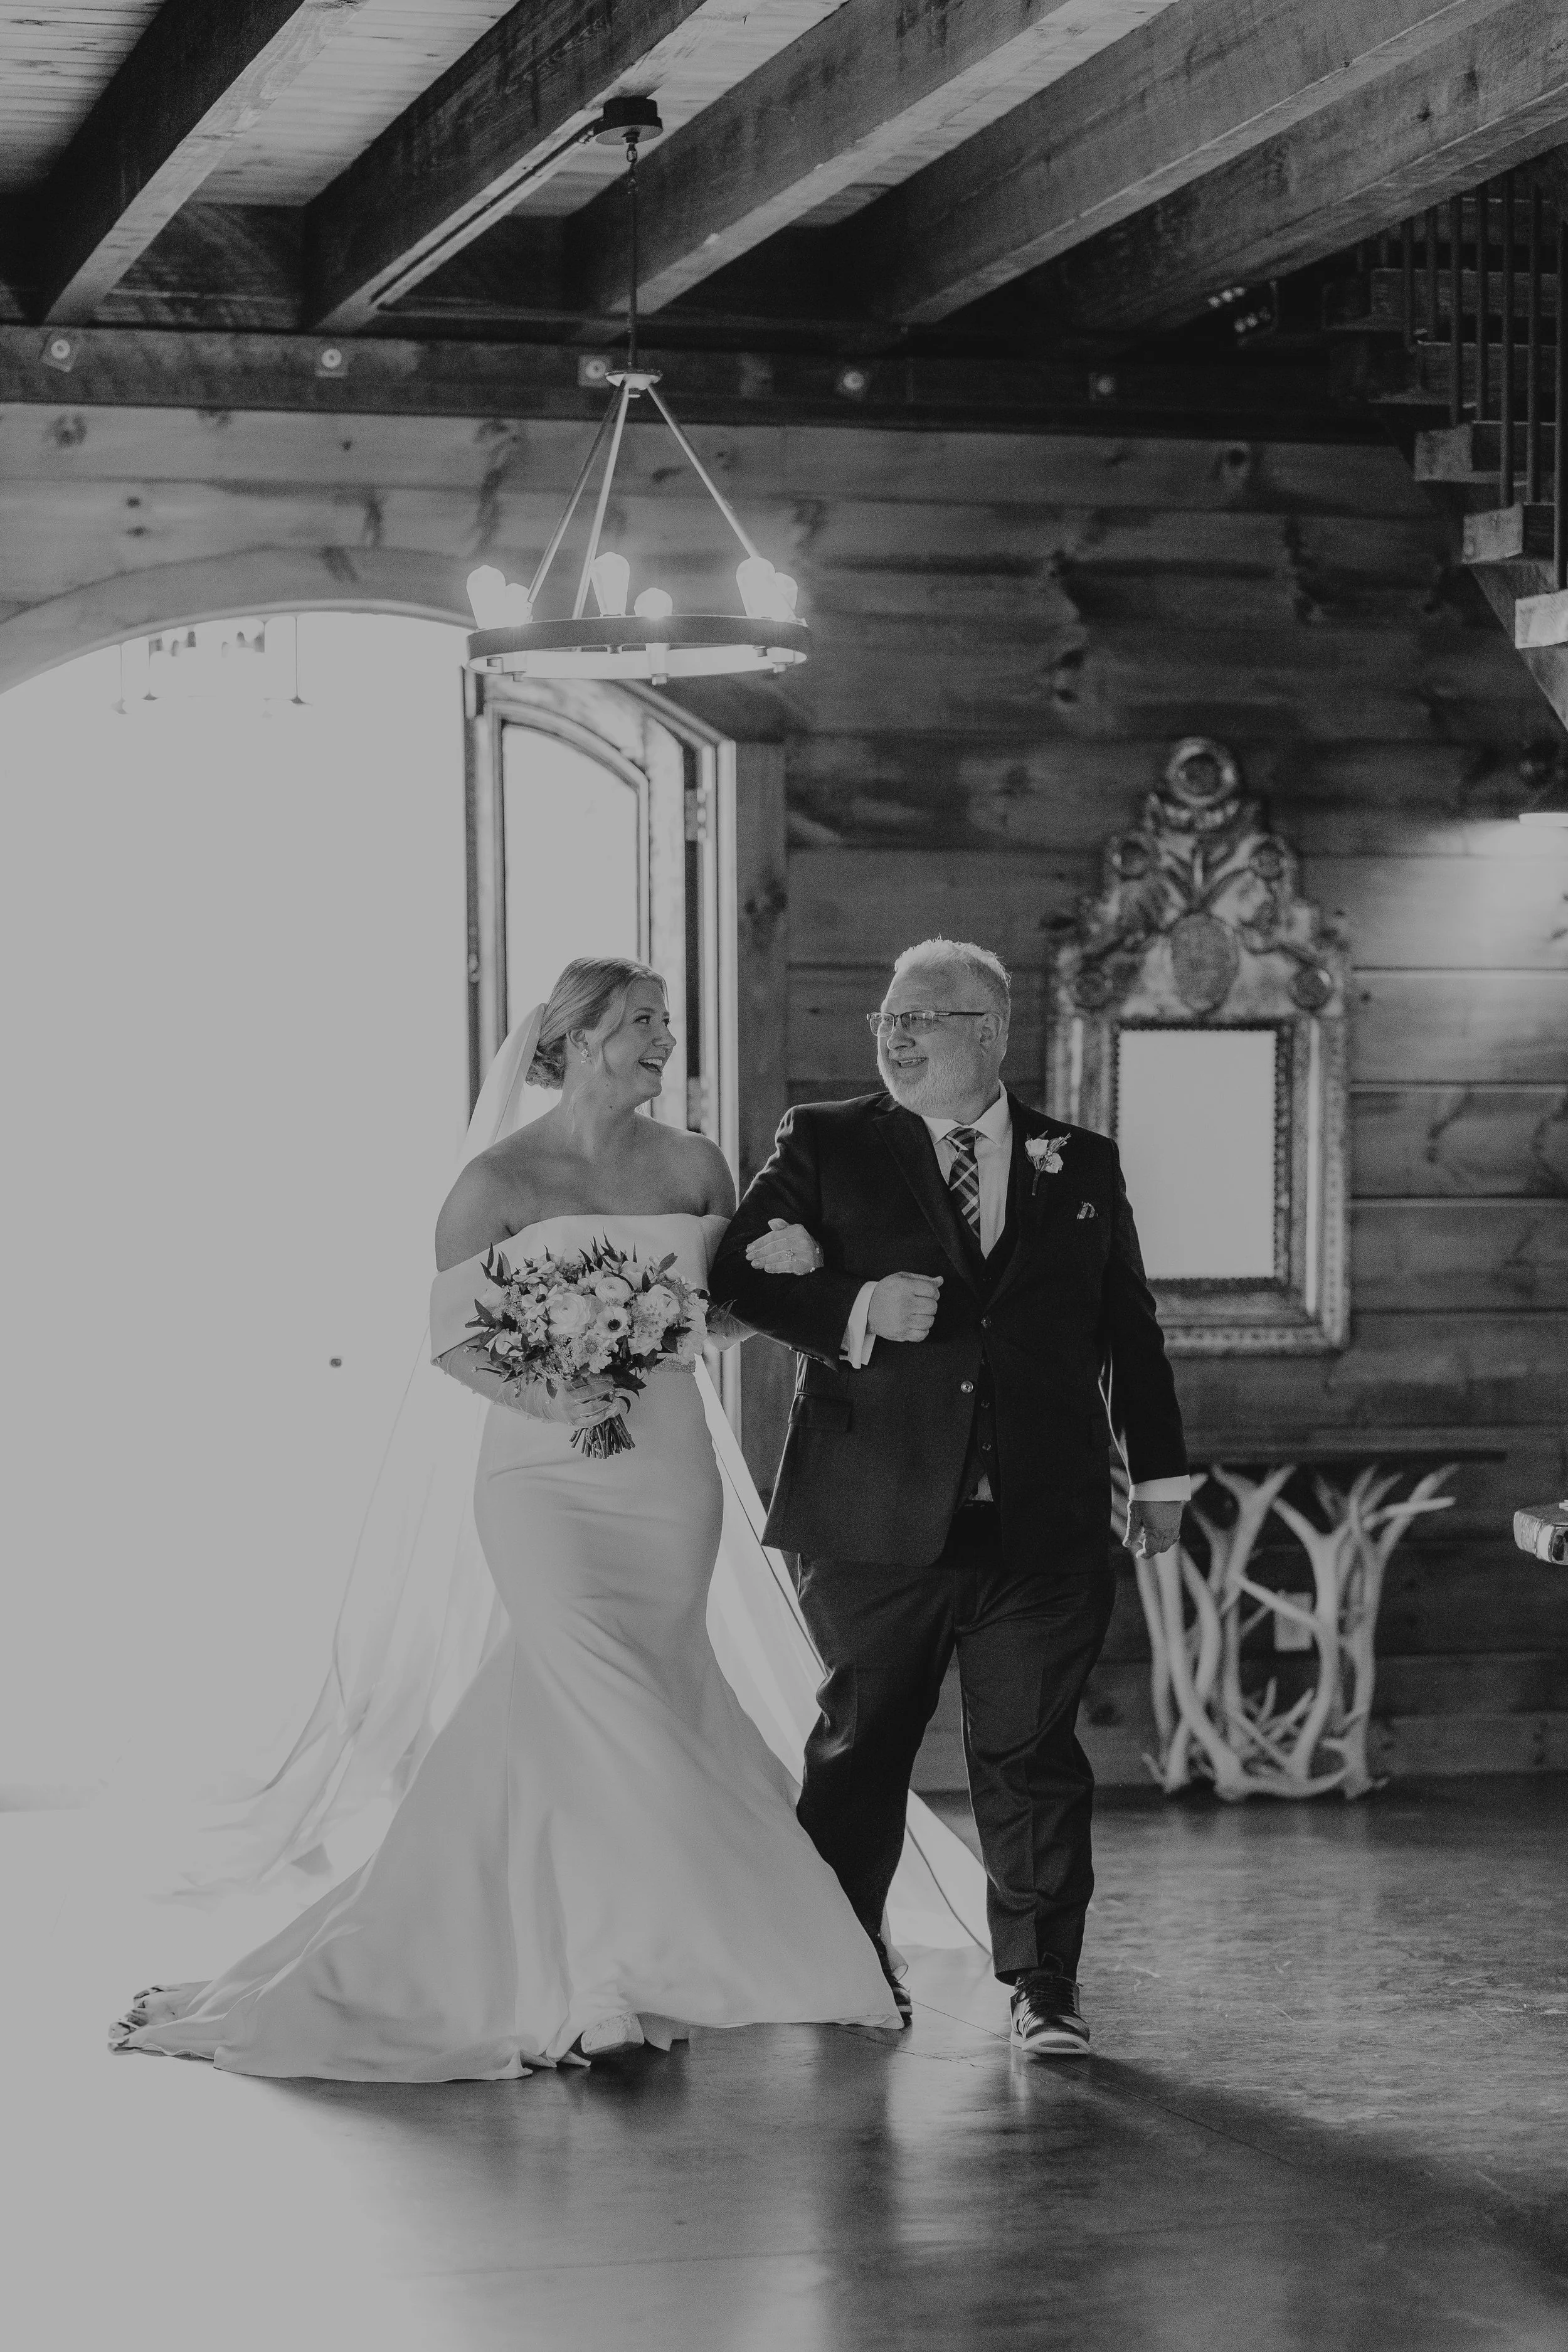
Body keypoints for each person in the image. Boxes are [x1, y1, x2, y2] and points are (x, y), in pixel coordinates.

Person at [111, 957, 909, 2077]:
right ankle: (605, 1981)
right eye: (642, 1022)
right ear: (576, 1038)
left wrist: (781, 1267)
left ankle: (620, 1943)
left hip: (665, 1472)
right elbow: (454, 1339)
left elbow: (720, 1315)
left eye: (666, 1021)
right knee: (597, 1686)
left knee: (631, 1694)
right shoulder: (494, 1181)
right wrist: (552, 1393)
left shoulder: (695, 1165)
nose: (665, 1039)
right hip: (542, 1476)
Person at [709, 936, 1190, 2059]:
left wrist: (1159, 1475)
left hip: (1043, 1517)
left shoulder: (1082, 1161)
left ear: (991, 1029)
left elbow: (1128, 1330)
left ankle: (1044, 1984)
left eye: (921, 1017)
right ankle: (843, 1960)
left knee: (1033, 1757)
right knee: (863, 1749)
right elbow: (732, 1276)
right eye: (887, 1016)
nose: (896, 1034)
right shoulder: (826, 1140)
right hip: (871, 1515)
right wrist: (859, 1307)